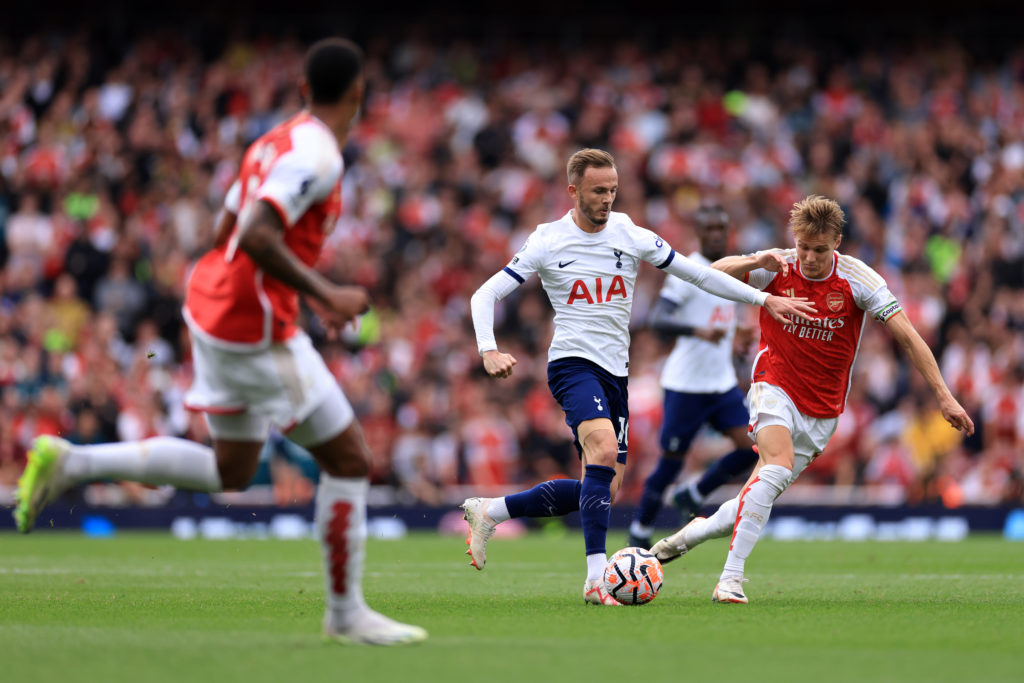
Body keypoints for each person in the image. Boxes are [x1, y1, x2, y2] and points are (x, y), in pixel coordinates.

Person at [13, 38, 427, 645]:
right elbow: (257, 235)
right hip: (251, 325)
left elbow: (224, 227)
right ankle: (345, 615)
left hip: (212, 305)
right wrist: (328, 293)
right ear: (359, 94)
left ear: (305, 91)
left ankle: (74, 461)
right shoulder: (321, 155)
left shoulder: (274, 141)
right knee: (349, 459)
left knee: (231, 469)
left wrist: (293, 290)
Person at [461, 148, 816, 605]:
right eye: (597, 191)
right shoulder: (548, 240)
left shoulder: (630, 234)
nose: (608, 198)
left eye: (612, 189)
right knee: (603, 450)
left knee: (604, 487)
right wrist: (488, 349)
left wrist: (762, 300)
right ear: (572, 191)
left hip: (616, 373)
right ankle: (595, 579)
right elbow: (484, 293)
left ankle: (492, 510)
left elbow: (700, 276)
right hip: (572, 364)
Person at [651, 195, 975, 604]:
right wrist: (754, 261)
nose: (808, 257)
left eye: (819, 249)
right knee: (776, 464)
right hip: (774, 384)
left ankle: (683, 538)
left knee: (754, 496)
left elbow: (909, 337)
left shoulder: (860, 280)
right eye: (803, 246)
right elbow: (706, 276)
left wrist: (945, 397)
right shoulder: (778, 265)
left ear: (836, 241)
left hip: (822, 412)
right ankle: (730, 579)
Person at [626, 205, 759, 549]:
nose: (715, 234)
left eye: (721, 227)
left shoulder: (732, 269)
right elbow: (658, 320)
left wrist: (737, 336)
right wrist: (697, 331)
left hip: (721, 383)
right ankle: (640, 528)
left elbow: (721, 318)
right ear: (699, 233)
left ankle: (696, 492)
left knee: (753, 448)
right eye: (709, 229)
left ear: (728, 231)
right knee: (671, 463)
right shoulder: (687, 271)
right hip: (685, 385)